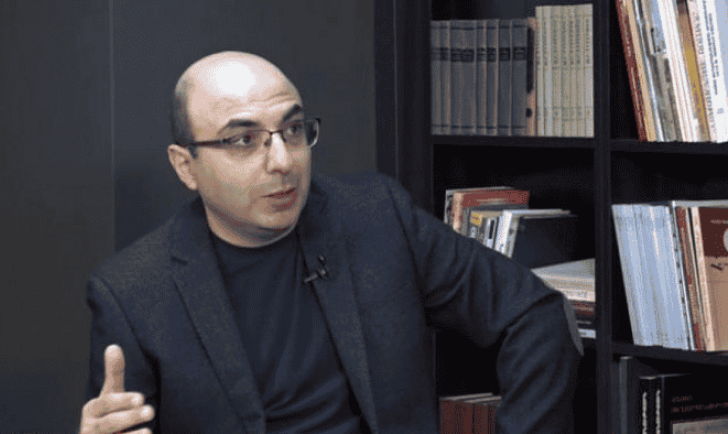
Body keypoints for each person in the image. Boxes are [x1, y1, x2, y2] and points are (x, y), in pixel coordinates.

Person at [79, 51, 583, 434]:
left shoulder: (377, 218)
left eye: (293, 130)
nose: (282, 161)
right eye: (243, 140)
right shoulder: (132, 293)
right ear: (185, 165)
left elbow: (534, 314)